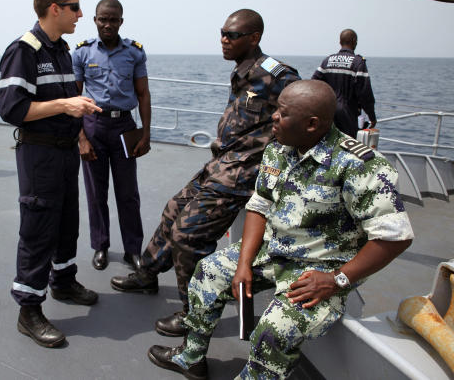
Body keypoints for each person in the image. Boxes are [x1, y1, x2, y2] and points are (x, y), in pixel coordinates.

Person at [147, 80, 413, 380]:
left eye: (282, 114)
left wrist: (336, 281)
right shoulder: (278, 150)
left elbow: (394, 237)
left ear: (311, 124)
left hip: (321, 269)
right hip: (274, 251)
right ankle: (191, 356)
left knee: (273, 332)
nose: (273, 117)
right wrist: (244, 264)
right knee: (208, 272)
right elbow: (259, 206)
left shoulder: (360, 166)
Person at [111, 9, 300, 338]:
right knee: (173, 208)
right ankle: (147, 274)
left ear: (254, 38)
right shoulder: (241, 71)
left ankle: (192, 312)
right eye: (222, 34)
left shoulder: (277, 75)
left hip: (244, 172)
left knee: (188, 237)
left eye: (232, 35)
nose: (224, 41)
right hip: (222, 163)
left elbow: (307, 113)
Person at [0, 0, 102, 348]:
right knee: (39, 227)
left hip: (65, 150)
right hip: (39, 154)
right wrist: (64, 105)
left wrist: (80, 129)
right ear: (55, 8)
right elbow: (11, 109)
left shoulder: (62, 50)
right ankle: (29, 309)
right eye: (75, 7)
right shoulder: (24, 51)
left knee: (66, 220)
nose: (81, 14)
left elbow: (65, 102)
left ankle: (63, 281)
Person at [72, 0, 151, 271]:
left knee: (128, 193)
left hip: (124, 127)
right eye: (102, 19)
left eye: (113, 19)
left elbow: (143, 94)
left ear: (121, 21)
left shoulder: (135, 53)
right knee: (96, 193)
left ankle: (133, 250)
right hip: (93, 126)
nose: (108, 24)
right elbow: (74, 98)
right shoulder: (82, 53)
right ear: (95, 20)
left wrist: (146, 134)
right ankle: (101, 246)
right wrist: (81, 138)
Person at [312, 29, 376, 138]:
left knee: (328, 142)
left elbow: (313, 85)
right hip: (348, 113)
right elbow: (365, 93)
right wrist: (372, 116)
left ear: (340, 42)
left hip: (328, 112)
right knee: (346, 145)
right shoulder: (358, 63)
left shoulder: (327, 60)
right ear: (354, 41)